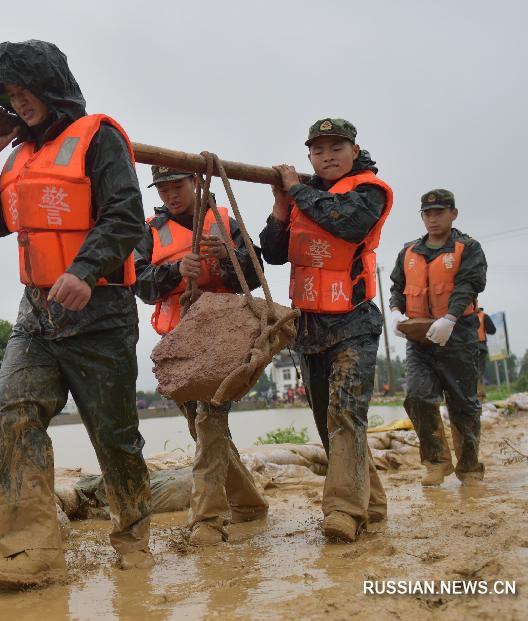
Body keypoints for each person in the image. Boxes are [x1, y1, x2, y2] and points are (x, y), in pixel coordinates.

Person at [0, 40, 153, 588]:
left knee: (115, 436)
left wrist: (85, 269)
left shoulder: (98, 139)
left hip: (99, 313)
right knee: (14, 413)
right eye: (8, 94)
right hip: (37, 316)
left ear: (50, 85)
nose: (18, 101)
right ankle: (30, 551)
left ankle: (133, 535)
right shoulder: (18, 156)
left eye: (24, 89)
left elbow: (125, 217)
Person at [259, 118, 390, 542]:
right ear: (309, 155)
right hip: (310, 327)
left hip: (353, 320)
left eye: (336, 147)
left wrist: (297, 189)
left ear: (354, 150)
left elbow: (347, 223)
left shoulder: (369, 191)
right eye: (318, 150)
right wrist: (282, 205)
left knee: (345, 413)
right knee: (327, 422)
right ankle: (372, 502)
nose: (328, 156)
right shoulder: (304, 197)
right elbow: (275, 253)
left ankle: (344, 511)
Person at [133, 166, 268, 546]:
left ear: (196, 183)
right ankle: (250, 503)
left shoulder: (225, 220)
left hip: (222, 338)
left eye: (178, 185)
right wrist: (176, 272)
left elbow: (255, 272)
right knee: (202, 426)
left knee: (210, 421)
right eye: (163, 188)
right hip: (178, 343)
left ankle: (207, 519)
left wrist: (227, 258)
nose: (171, 194)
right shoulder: (149, 230)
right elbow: (139, 282)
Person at [388, 189, 488, 486]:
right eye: (427, 213)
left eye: (439, 212)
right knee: (417, 396)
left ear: (453, 214)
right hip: (420, 339)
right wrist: (395, 311)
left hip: (459, 337)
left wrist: (450, 318)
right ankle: (436, 462)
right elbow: (397, 286)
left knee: (464, 405)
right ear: (422, 217)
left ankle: (469, 468)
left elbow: (469, 284)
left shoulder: (467, 247)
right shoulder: (408, 252)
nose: (433, 219)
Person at [475, 307, 497, 397]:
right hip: (481, 347)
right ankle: (481, 393)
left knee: (471, 371)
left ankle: (474, 394)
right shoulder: (483, 316)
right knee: (480, 371)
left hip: (468, 348)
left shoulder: (465, 317)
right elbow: (492, 330)